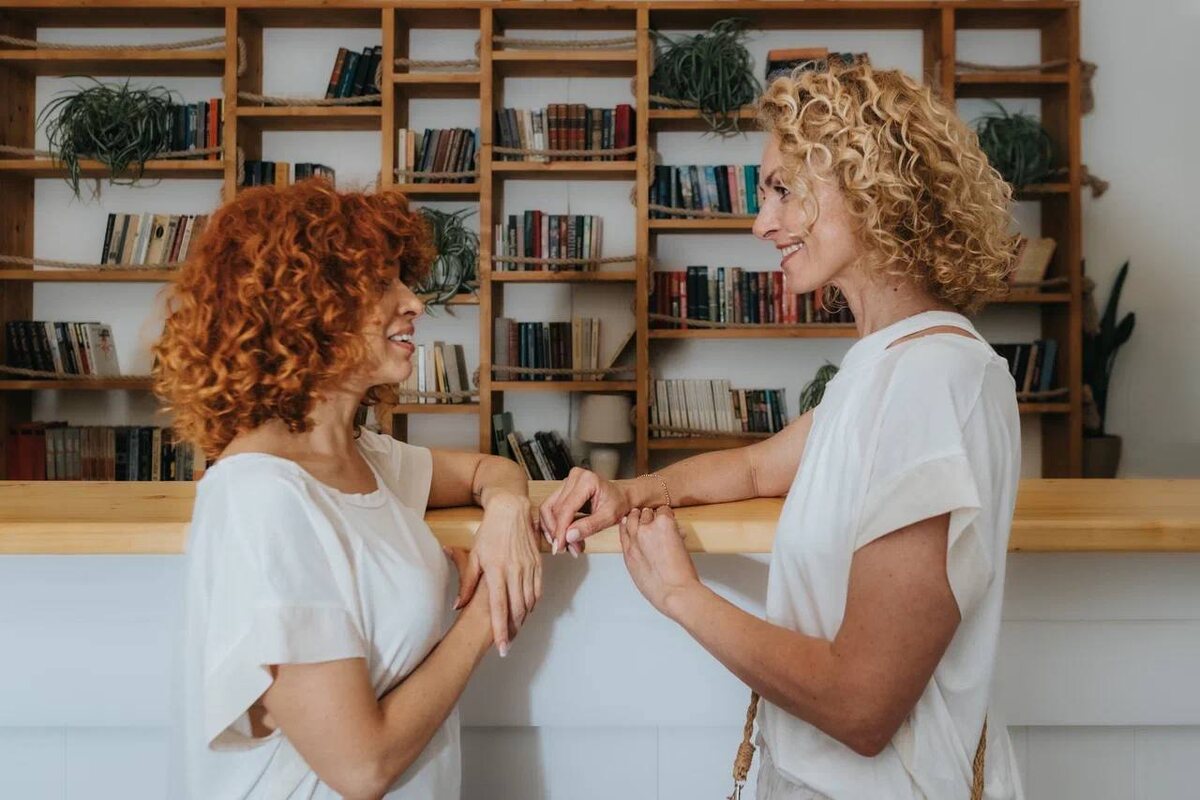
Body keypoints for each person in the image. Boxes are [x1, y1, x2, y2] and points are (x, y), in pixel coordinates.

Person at [540, 63, 1024, 799]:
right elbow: (756, 469)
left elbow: (861, 705)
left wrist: (680, 595)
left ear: (870, 187)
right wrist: (628, 491)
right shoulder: (886, 367)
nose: (761, 223)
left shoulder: (930, 383)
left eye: (783, 189)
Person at [156, 180, 542, 799]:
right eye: (383, 284)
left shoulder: (361, 456)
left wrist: (507, 512)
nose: (414, 302)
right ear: (308, 305)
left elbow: (488, 471)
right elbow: (362, 766)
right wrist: (485, 611)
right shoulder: (259, 496)